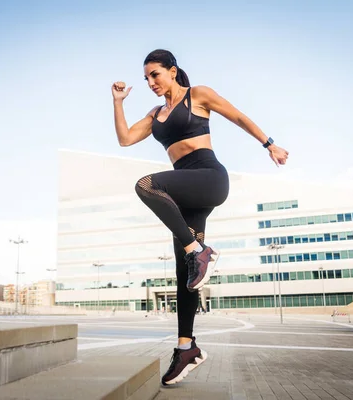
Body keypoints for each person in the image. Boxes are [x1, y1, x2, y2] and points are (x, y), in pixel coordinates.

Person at [111, 49, 289, 386]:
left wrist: (270, 144)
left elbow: (238, 117)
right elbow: (125, 139)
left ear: (172, 71)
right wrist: (118, 102)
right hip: (185, 193)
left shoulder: (198, 95)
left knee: (147, 184)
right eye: (146, 77)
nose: (150, 82)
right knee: (186, 273)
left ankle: (199, 251)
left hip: (208, 177)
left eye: (155, 74)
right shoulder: (155, 114)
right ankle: (186, 347)